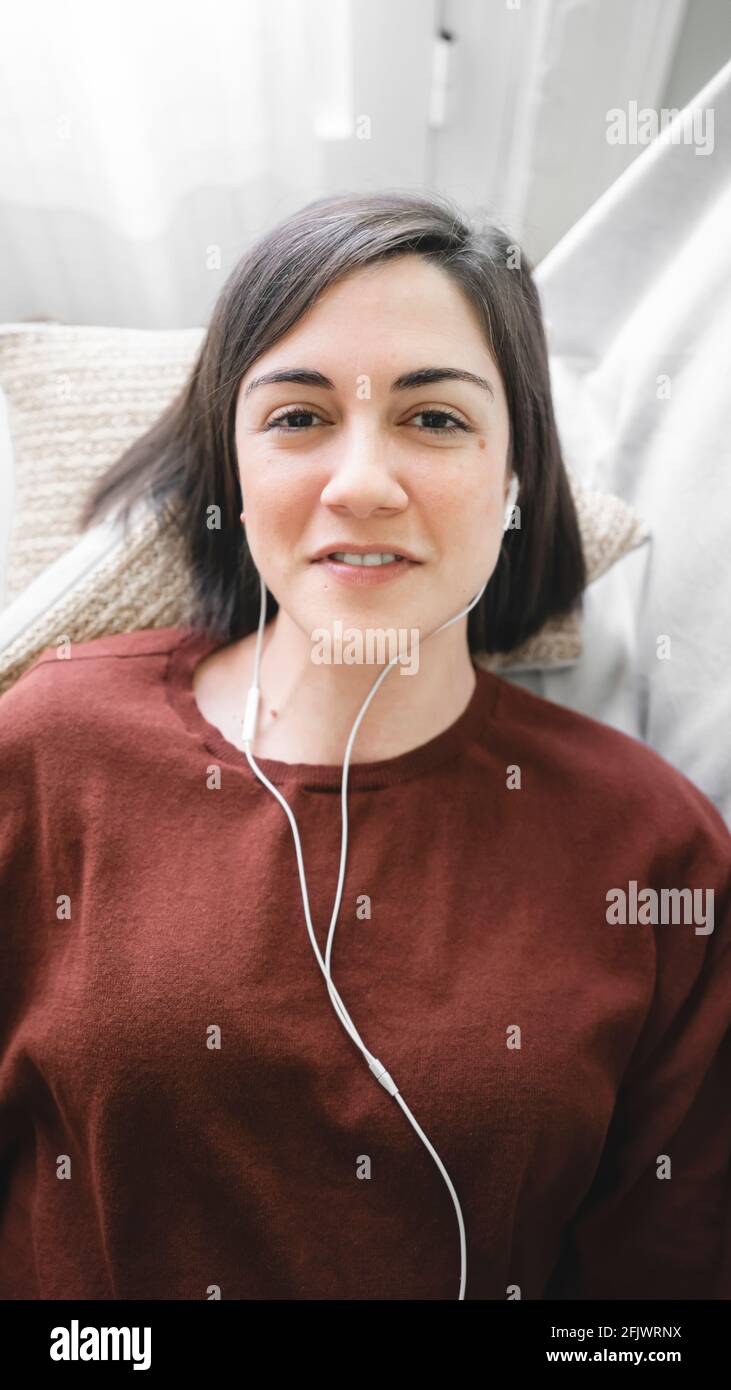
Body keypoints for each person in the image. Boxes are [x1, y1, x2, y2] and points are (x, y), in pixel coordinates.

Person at [0, 191, 729, 1302]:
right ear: (231, 476)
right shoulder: (49, 749)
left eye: (434, 419)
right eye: (295, 419)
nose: (361, 484)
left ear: (516, 477)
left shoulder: (655, 849)